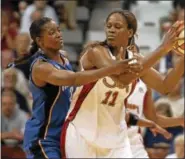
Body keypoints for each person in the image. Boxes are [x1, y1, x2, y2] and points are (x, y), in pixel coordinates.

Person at [7, 17, 141, 159]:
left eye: (58, 30)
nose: (58, 34)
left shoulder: (64, 58)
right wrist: (111, 68)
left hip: (65, 134)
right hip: (43, 137)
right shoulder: (41, 67)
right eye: (52, 32)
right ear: (40, 41)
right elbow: (74, 79)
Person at [61, 9, 184, 158]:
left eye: (117, 27)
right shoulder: (95, 52)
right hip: (81, 133)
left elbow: (165, 86)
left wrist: (183, 59)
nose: (111, 30)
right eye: (109, 26)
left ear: (130, 32)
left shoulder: (137, 60)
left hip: (115, 139)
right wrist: (163, 48)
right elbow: (121, 79)